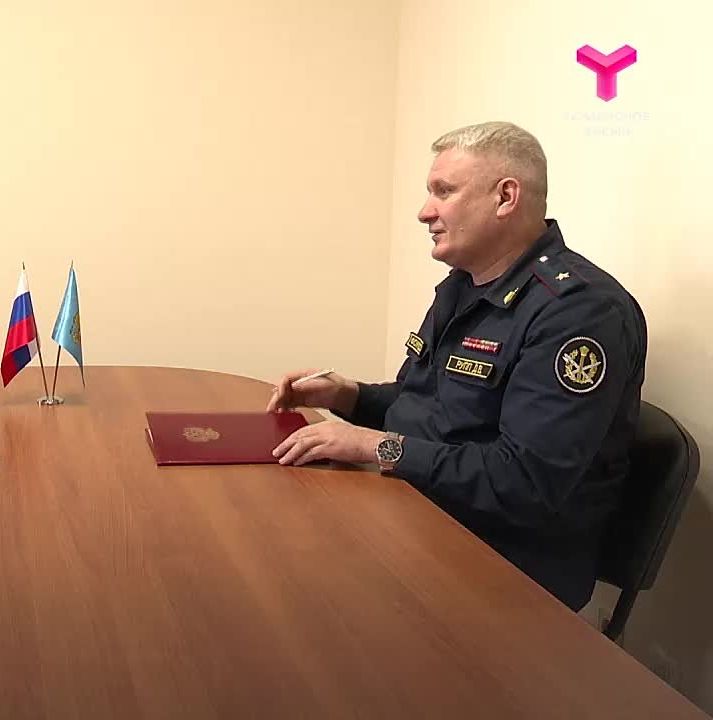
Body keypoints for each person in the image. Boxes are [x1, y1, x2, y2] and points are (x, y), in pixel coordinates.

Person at [267, 122, 646, 610]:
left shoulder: (578, 311)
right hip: (420, 514)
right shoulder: (464, 285)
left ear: (505, 197)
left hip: (506, 566)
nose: (425, 212)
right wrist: (349, 395)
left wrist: (373, 445)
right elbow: (426, 407)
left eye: (443, 192)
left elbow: (525, 482)